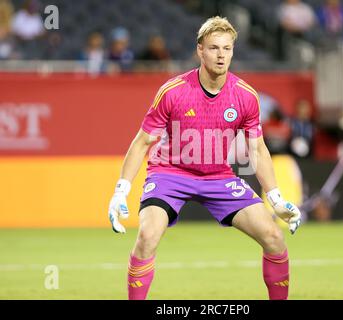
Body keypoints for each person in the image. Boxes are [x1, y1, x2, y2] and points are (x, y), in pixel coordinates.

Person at [107, 16, 302, 300]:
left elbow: (257, 150)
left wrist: (274, 198)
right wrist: (120, 191)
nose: (221, 55)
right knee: (147, 237)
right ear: (200, 50)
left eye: (227, 48)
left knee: (274, 238)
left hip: (218, 177)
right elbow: (142, 142)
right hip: (169, 173)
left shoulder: (246, 96)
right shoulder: (173, 91)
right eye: (214, 48)